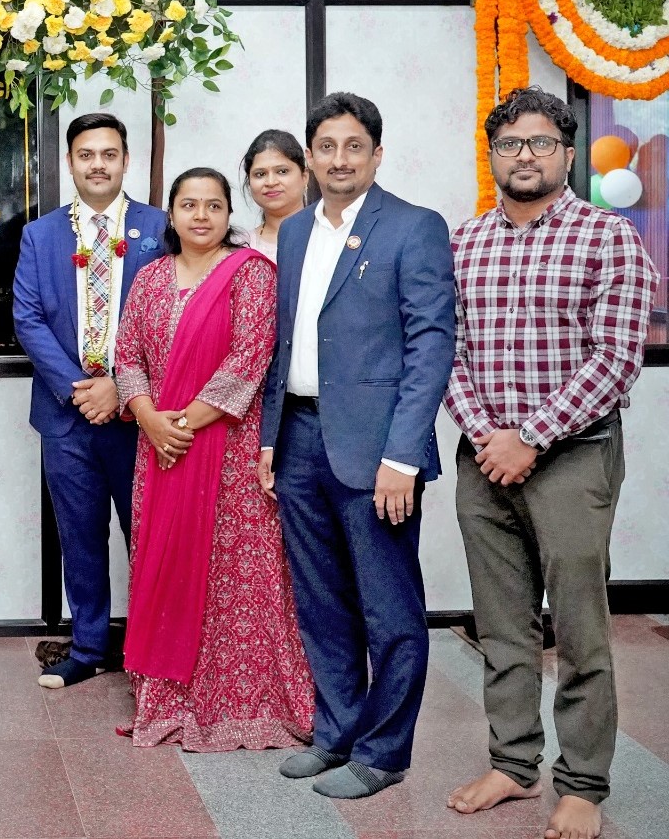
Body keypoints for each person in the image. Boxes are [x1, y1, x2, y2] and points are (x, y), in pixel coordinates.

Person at [443, 87, 657, 839]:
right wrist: (486, 435)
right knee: (501, 627)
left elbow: (616, 359)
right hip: (484, 455)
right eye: (510, 145)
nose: (524, 156)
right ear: (493, 156)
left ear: (568, 154)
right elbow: (447, 352)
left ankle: (584, 781)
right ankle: (512, 761)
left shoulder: (607, 237)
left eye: (539, 143)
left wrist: (530, 436)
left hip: (573, 454)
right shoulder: (465, 243)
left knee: (578, 626)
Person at [257, 92, 456, 799]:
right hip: (302, 440)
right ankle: (335, 730)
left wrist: (403, 455)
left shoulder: (413, 227)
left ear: (376, 153)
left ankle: (384, 749)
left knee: (389, 608)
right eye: (327, 146)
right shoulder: (293, 233)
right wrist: (271, 437)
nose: (339, 159)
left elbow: (432, 346)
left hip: (378, 453)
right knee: (321, 601)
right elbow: (287, 343)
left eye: (354, 146)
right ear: (310, 156)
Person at [115, 167, 313, 749]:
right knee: (165, 562)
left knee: (236, 575)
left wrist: (181, 423)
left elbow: (250, 360)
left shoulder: (251, 274)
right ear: (170, 215)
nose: (201, 216)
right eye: (188, 205)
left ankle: (246, 701)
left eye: (214, 206)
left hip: (228, 452)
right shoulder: (149, 280)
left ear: (231, 214)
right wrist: (151, 419)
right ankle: (170, 696)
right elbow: (127, 357)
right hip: (160, 452)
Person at [13, 112, 166, 688]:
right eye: (86, 154)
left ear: (125, 160)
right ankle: (87, 646)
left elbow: (172, 320)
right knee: (78, 535)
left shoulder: (161, 227)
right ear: (70, 163)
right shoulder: (41, 233)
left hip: (141, 415)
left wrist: (121, 390)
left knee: (148, 535)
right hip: (66, 415)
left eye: (108, 153)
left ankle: (152, 655)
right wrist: (82, 389)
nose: (97, 164)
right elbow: (27, 318)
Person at [241, 129, 309, 261]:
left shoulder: (327, 236)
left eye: (282, 171)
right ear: (249, 182)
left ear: (304, 177)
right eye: (260, 174)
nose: (271, 182)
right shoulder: (239, 246)